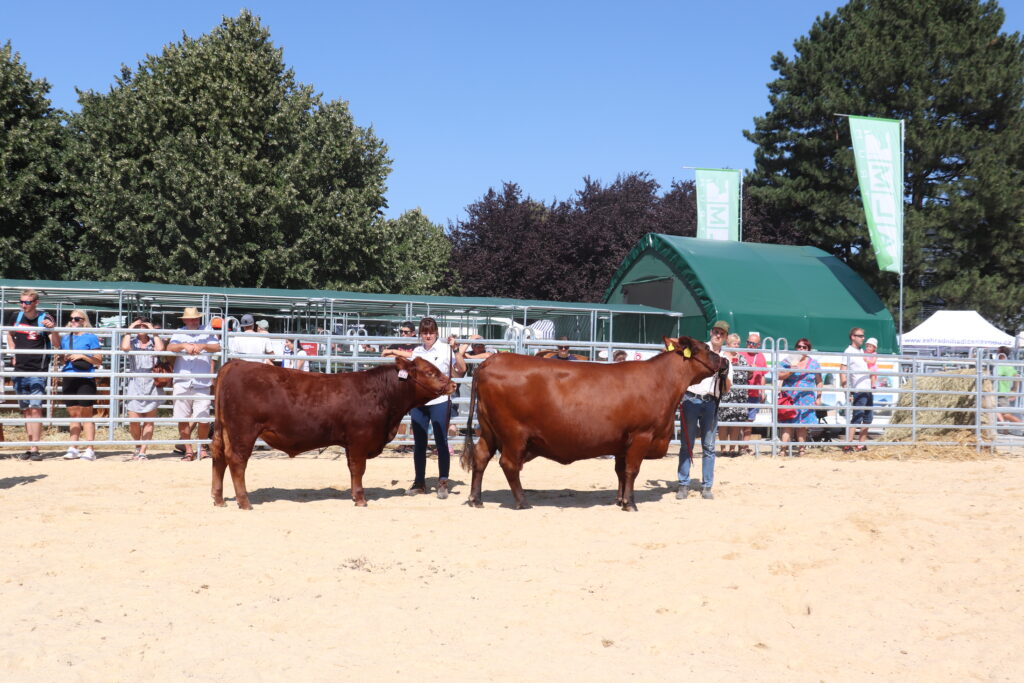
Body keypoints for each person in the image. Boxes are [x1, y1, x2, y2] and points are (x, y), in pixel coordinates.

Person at [406, 317, 466, 499]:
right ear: (420, 334)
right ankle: (419, 482)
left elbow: (461, 370)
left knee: (442, 442)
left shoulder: (446, 349)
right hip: (419, 403)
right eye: (424, 332)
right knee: (419, 444)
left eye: (431, 332)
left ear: (436, 333)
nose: (428, 335)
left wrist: (456, 350)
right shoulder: (417, 351)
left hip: (439, 401)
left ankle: (442, 481)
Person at [677, 320, 733, 500]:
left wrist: (724, 376)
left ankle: (707, 486)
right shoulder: (700, 349)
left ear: (725, 338)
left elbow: (726, 389)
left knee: (709, 446)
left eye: (721, 333)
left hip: (711, 402)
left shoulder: (726, 359)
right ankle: (683, 484)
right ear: (711, 332)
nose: (718, 335)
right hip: (691, 398)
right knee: (687, 444)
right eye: (716, 331)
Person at [4, 289, 60, 460]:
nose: (23, 305)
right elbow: (9, 334)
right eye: (21, 302)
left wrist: (53, 330)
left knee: (35, 409)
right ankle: (30, 447)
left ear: (36, 303)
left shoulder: (45, 318)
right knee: (26, 410)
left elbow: (57, 343)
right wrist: (13, 352)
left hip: (38, 369)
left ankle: (35, 448)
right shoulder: (16, 317)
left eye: (27, 302)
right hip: (20, 369)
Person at [167, 307, 221, 461]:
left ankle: (202, 447)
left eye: (196, 318)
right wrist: (184, 345)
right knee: (182, 417)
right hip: (182, 380)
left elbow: (217, 346)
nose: (193, 321)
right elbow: (170, 347)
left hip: (201, 381)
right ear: (184, 320)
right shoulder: (179, 332)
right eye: (190, 319)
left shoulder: (207, 331)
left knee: (203, 418)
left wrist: (203, 346)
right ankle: (188, 450)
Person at [59, 309, 103, 461]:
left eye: (77, 319)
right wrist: (64, 359)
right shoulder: (65, 338)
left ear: (84, 320)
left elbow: (98, 360)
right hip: (69, 375)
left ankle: (90, 448)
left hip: (85, 376)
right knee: (73, 413)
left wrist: (83, 356)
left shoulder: (91, 337)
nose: (74, 321)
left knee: (86, 413)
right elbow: (60, 359)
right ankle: (73, 447)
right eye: (72, 319)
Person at [120, 316, 166, 460]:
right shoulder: (132, 342)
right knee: (133, 420)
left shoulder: (154, 341)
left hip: (151, 381)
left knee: (149, 420)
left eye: (144, 326)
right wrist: (130, 329)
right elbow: (125, 347)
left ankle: (143, 451)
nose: (141, 329)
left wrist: (153, 332)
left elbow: (160, 349)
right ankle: (137, 446)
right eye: (139, 326)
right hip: (135, 381)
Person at [777, 338, 823, 456]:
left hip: (806, 398)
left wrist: (819, 397)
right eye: (799, 346)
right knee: (787, 424)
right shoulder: (788, 360)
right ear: (796, 348)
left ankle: (801, 449)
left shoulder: (814, 363)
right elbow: (779, 375)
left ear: (808, 349)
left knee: (802, 425)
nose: (801, 349)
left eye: (804, 347)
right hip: (789, 398)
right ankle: (783, 449)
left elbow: (819, 381)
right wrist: (790, 372)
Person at [840, 327, 872, 451]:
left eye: (863, 336)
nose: (863, 338)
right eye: (860, 336)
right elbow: (842, 370)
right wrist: (846, 389)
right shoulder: (848, 351)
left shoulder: (861, 351)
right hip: (858, 389)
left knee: (868, 418)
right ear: (853, 337)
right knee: (857, 418)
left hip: (867, 389)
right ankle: (848, 444)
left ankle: (861, 444)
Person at [717, 333, 749, 456]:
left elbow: (747, 373)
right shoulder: (723, 356)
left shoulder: (741, 358)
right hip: (725, 393)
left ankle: (732, 448)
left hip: (739, 394)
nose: (736, 346)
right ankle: (723, 448)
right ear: (728, 344)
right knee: (724, 423)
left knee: (736, 423)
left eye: (738, 344)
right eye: (734, 343)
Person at [739, 331, 768, 447]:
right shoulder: (740, 353)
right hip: (741, 393)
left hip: (754, 393)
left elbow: (762, 375)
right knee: (740, 421)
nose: (750, 345)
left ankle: (745, 446)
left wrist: (763, 391)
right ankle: (738, 445)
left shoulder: (761, 357)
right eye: (748, 343)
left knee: (749, 421)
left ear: (758, 345)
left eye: (753, 344)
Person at [995, 346, 1022, 429]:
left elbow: (994, 374)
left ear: (1000, 353)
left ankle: (1021, 424)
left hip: (1000, 392)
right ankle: (1004, 427)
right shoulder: (1009, 366)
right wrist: (1014, 390)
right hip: (1004, 392)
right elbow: (1017, 375)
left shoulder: (1000, 366)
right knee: (995, 410)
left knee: (1004, 413)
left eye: (997, 352)